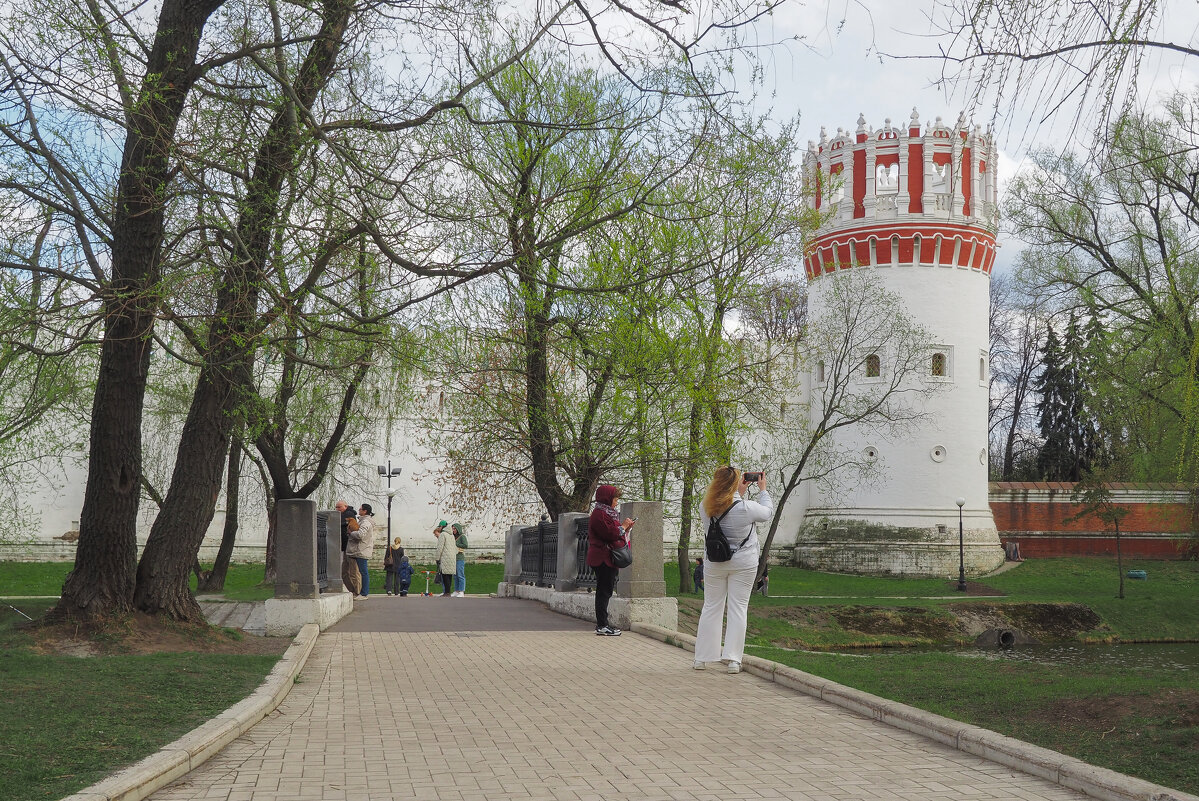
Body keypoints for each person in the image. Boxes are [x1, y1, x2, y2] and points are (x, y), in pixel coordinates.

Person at [693, 466, 773, 674]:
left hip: (714, 563)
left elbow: (724, 506)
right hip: (743, 564)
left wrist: (737, 491)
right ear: (734, 484)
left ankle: (701, 658)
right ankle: (733, 660)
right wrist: (762, 490)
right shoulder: (746, 507)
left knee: (711, 607)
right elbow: (767, 513)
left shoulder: (705, 507)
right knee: (738, 608)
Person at [586, 484, 634, 636]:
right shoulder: (599, 514)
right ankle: (602, 625)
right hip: (602, 558)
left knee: (605, 590)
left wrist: (625, 527)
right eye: (615, 498)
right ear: (607, 498)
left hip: (607, 557)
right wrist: (624, 526)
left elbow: (615, 531)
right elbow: (609, 534)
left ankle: (603, 624)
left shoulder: (607, 512)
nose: (616, 502)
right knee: (604, 591)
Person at [346, 503, 377, 599]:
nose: (359, 511)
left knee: (363, 572)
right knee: (357, 572)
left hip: (361, 550)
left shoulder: (366, 522)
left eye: (360, 509)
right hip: (358, 550)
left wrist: (351, 533)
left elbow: (360, 535)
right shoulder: (362, 521)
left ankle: (364, 593)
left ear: (365, 511)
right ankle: (359, 592)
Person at [336, 500, 361, 596]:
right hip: (346, 546)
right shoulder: (344, 514)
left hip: (350, 546)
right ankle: (353, 591)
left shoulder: (349, 514)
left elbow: (340, 523)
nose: (337, 509)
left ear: (345, 506)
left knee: (353, 571)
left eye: (339, 507)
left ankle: (357, 591)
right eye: (336, 507)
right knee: (345, 572)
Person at [433, 520, 456, 597]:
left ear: (442, 527)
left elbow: (440, 547)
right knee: (449, 575)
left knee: (444, 574)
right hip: (452, 557)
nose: (438, 528)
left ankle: (446, 592)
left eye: (439, 526)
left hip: (445, 556)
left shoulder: (443, 534)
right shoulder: (452, 535)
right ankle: (448, 591)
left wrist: (437, 558)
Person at [452, 523, 468, 597]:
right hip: (453, 557)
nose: (453, 530)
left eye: (454, 529)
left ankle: (461, 591)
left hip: (459, 558)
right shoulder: (453, 536)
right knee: (455, 575)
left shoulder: (462, 536)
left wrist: (456, 544)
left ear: (458, 529)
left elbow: (465, 545)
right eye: (453, 528)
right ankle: (456, 590)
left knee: (460, 574)